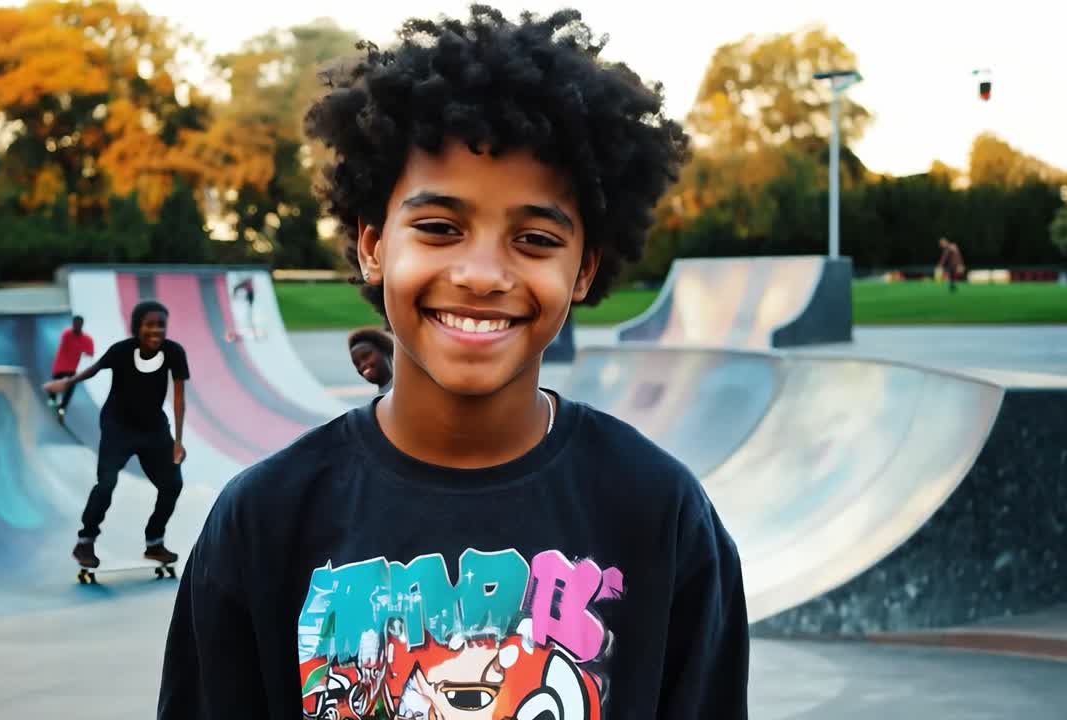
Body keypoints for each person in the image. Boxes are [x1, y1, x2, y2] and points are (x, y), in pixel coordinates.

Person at [159, 8, 749, 719]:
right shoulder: (264, 521)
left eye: (533, 239)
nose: (480, 273)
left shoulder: (658, 515)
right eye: (439, 229)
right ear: (374, 245)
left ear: (585, 270)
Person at [42, 300, 189, 569]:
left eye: (161, 325)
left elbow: (179, 397)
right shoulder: (122, 350)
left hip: (154, 428)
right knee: (106, 483)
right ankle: (85, 541)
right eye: (149, 325)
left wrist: (178, 442)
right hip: (117, 427)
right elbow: (93, 369)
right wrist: (66, 383)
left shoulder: (174, 352)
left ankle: (154, 542)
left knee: (172, 485)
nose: (156, 331)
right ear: (137, 327)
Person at [47, 315, 94, 422]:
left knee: (70, 388)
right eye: (74, 324)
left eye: (78, 325)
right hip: (60, 367)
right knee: (56, 383)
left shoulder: (86, 339)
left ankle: (62, 408)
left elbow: (90, 353)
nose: (76, 327)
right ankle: (52, 400)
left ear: (82, 325)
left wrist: (86, 353)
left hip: (71, 369)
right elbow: (65, 341)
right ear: (72, 324)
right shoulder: (67, 334)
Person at [347, 326, 395, 394]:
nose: (362, 365)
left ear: (385, 350)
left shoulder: (405, 385)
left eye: (366, 356)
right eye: (357, 363)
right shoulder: (378, 400)